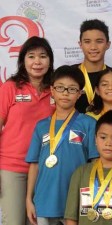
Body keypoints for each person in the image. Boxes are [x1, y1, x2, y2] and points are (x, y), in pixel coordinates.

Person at [26, 65, 99, 225]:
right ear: (52, 90)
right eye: (60, 88)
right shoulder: (41, 126)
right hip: (44, 200)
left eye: (72, 89)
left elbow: (95, 163)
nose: (65, 93)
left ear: (80, 94)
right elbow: (34, 165)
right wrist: (28, 199)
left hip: (75, 201)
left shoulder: (89, 124)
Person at [0, 36, 55, 225]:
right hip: (11, 168)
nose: (37, 62)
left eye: (43, 56)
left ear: (50, 61)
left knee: (37, 222)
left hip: (44, 170)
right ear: (23, 60)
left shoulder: (56, 90)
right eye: (31, 56)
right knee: (14, 221)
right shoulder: (10, 88)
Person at [74, 19, 111, 113]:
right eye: (87, 41)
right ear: (80, 44)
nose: (93, 47)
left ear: (108, 44)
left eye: (99, 41)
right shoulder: (68, 74)